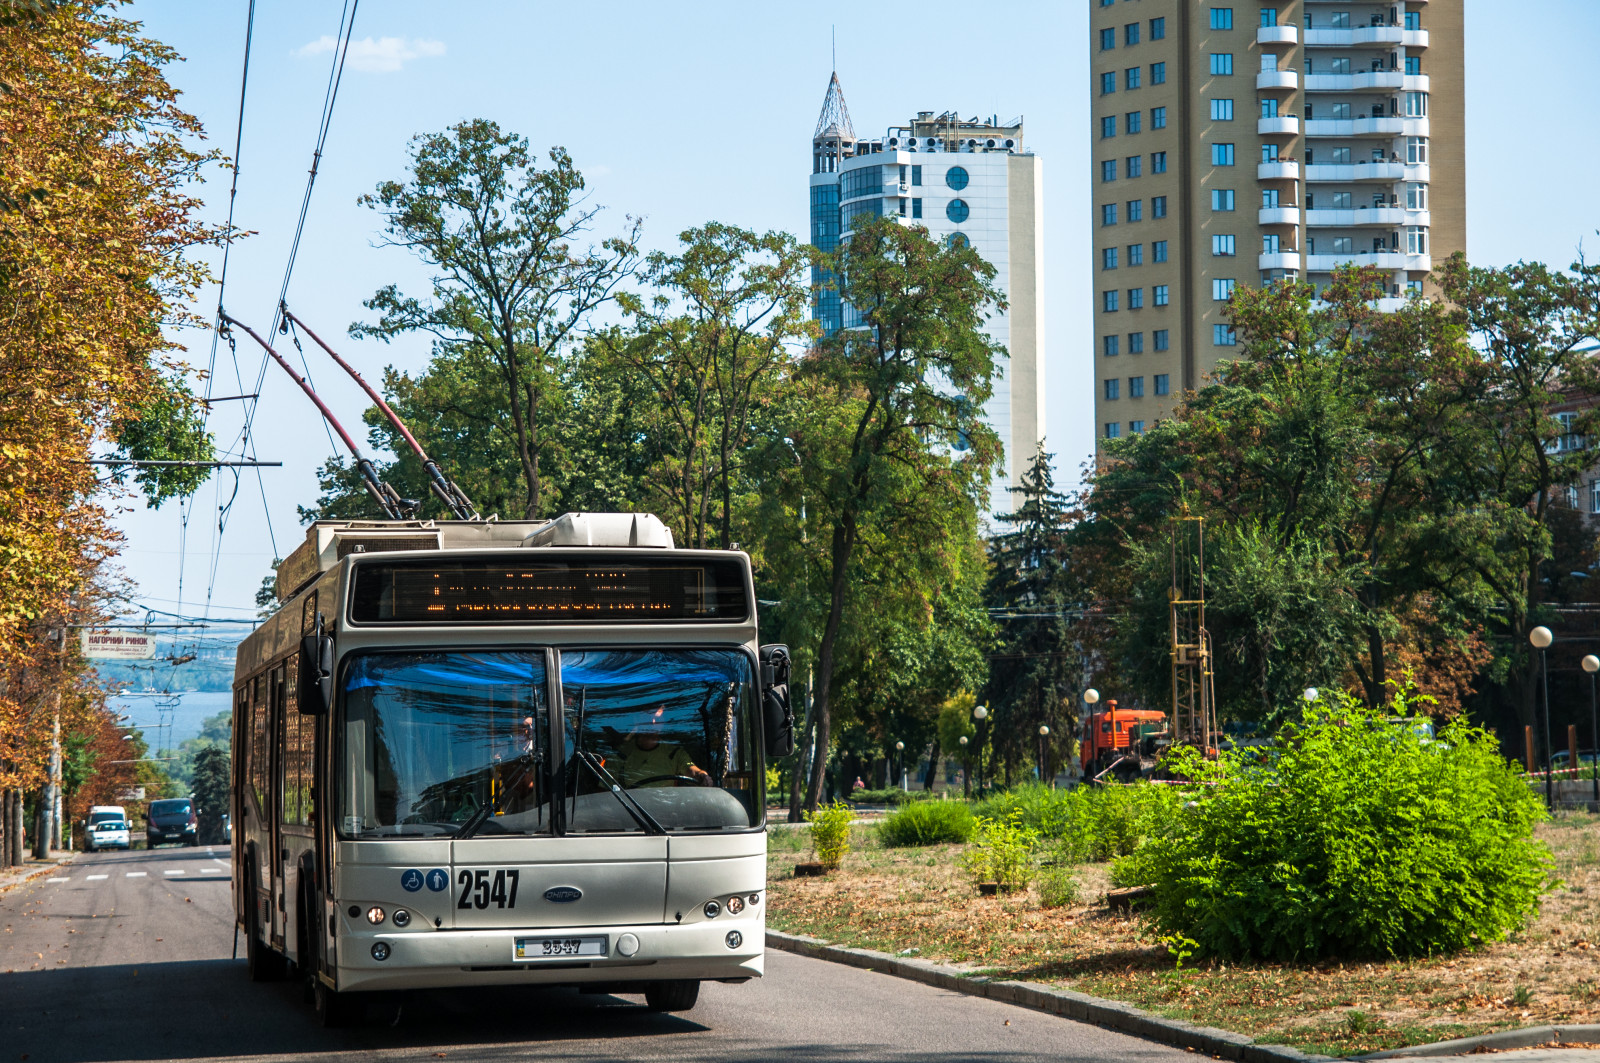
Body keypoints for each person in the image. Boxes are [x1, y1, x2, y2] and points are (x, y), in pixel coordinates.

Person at [615, 704, 710, 788]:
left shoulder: (674, 753)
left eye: (657, 719)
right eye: (647, 718)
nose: (652, 723)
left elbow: (692, 770)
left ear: (663, 723)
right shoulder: (620, 755)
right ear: (636, 720)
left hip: (667, 807)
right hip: (629, 807)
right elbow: (605, 795)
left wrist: (702, 776)